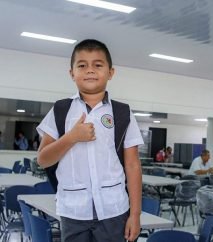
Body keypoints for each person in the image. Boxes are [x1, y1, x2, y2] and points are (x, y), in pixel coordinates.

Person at [37, 39, 144, 242]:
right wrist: (71, 137)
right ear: (72, 73)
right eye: (82, 65)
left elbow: (132, 165)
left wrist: (135, 214)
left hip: (114, 209)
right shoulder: (61, 109)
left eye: (98, 64)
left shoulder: (122, 112)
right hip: (73, 211)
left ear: (110, 72)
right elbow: (43, 160)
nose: (90, 71)